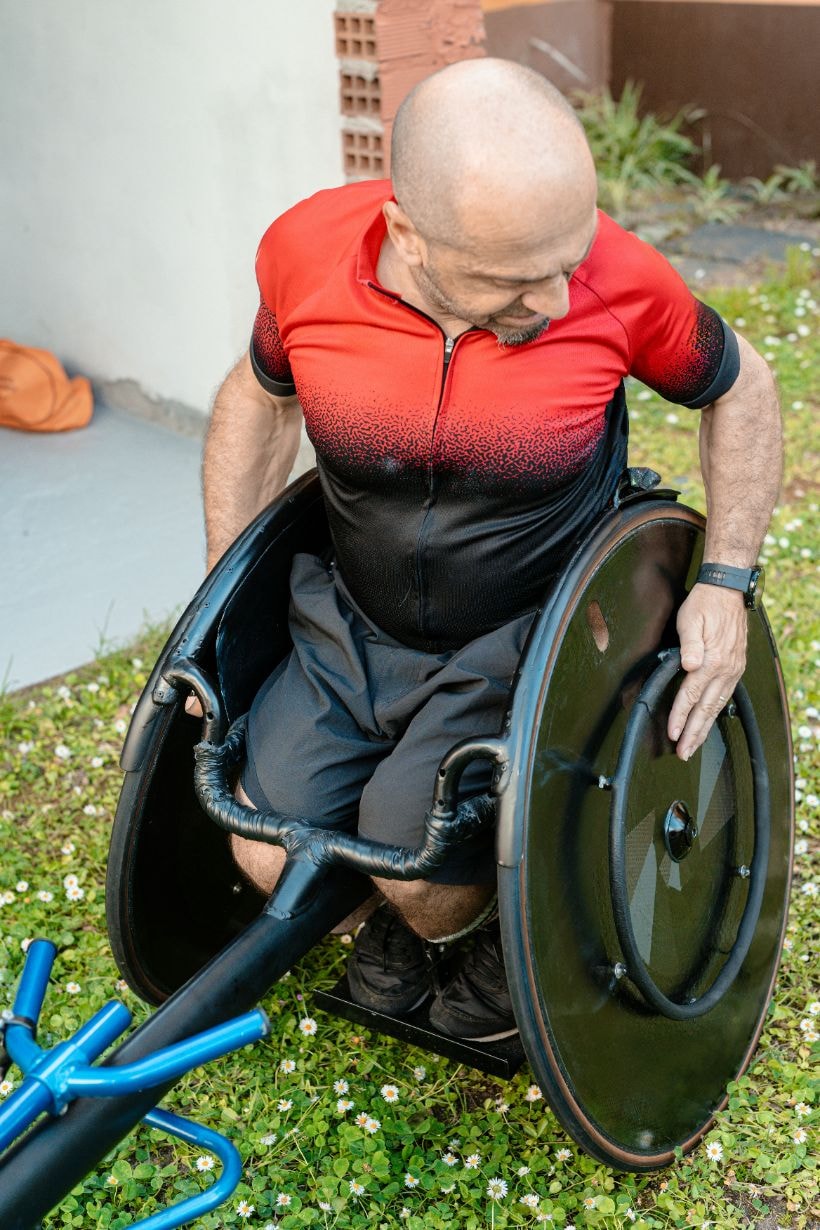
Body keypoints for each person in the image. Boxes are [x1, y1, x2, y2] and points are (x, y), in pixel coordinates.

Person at [198, 58, 782, 1041]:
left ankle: (466, 931)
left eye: (568, 257)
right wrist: (222, 596)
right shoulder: (304, 256)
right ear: (406, 239)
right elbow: (257, 400)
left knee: (414, 874)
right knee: (267, 858)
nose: (558, 300)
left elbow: (741, 387)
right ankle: (403, 918)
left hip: (524, 625)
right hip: (354, 614)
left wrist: (724, 579)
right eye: (516, 278)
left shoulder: (616, 282)